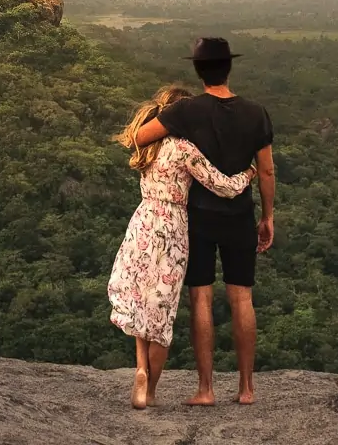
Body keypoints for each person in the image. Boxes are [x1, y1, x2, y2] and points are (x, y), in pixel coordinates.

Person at [133, 37, 275, 406]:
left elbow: (138, 137)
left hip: (197, 218)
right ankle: (246, 389)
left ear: (198, 71)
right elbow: (267, 171)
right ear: (229, 68)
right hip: (240, 214)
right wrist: (268, 215)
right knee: (242, 296)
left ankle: (206, 389)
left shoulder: (187, 111)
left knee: (201, 299)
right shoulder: (257, 112)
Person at [108, 84, 256, 410]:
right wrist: (249, 173)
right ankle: (150, 390)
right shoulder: (184, 149)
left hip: (142, 224)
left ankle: (141, 370)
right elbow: (223, 186)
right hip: (172, 230)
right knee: (162, 315)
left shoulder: (147, 147)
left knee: (142, 305)